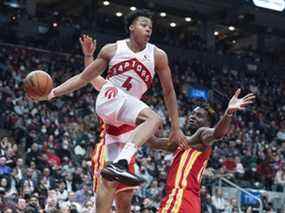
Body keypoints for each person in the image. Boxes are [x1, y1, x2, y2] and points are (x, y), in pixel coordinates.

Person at [42, 9, 187, 186]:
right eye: (143, 25)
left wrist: (176, 130)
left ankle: (116, 167)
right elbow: (85, 77)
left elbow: (169, 92)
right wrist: (53, 92)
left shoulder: (158, 55)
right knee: (154, 118)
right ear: (131, 27)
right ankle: (121, 164)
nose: (148, 29)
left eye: (151, 27)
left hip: (123, 114)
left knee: (114, 190)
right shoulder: (113, 49)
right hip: (110, 97)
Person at [147, 89, 255, 213]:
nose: (193, 117)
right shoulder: (182, 142)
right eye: (192, 114)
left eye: (199, 116)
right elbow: (153, 142)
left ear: (208, 123)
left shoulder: (202, 134)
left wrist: (228, 113)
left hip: (181, 197)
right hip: (187, 200)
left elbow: (217, 133)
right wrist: (138, 118)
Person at [80, 34, 138, 213]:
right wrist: (89, 56)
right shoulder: (109, 88)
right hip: (108, 148)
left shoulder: (137, 95)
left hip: (127, 153)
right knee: (104, 202)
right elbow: (91, 76)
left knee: (125, 203)